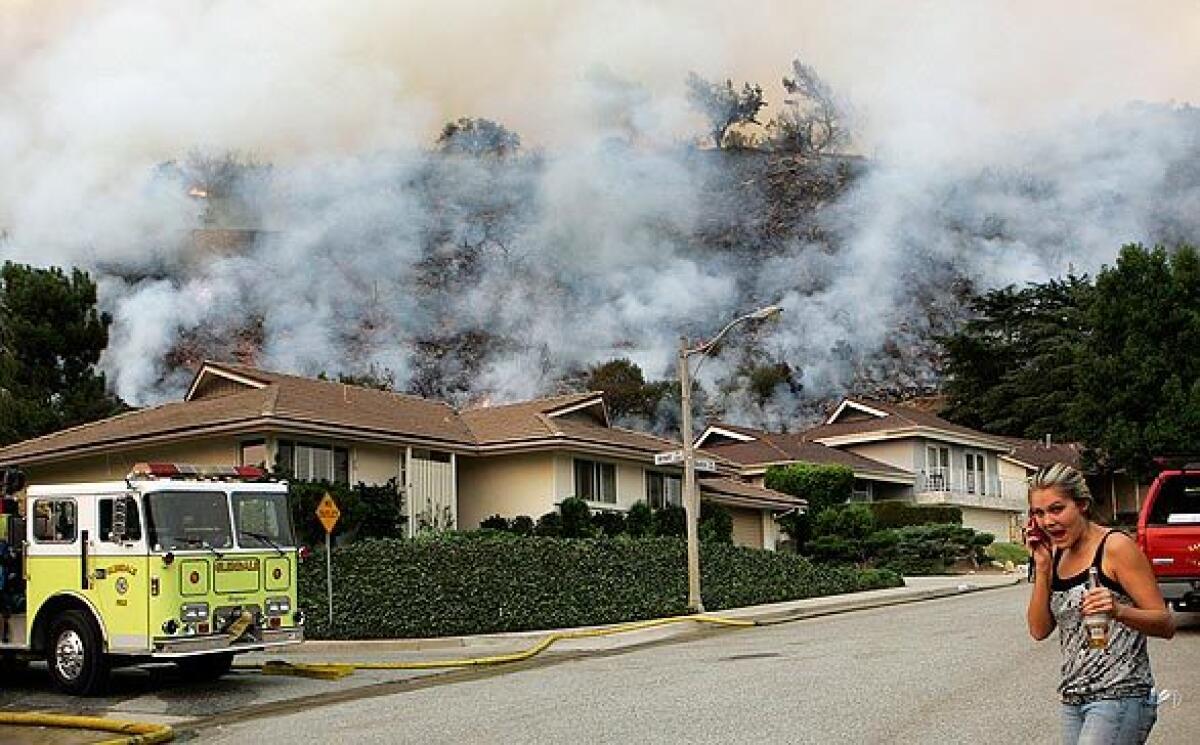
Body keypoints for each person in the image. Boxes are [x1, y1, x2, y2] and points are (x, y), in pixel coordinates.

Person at [1025, 463, 1175, 744]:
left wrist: (1118, 610)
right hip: (1073, 697)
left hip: (1121, 694)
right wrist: (1043, 568)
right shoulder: (1054, 555)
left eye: (1057, 509)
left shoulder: (1116, 547)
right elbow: (1038, 630)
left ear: (1081, 504)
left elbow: (1165, 624)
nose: (1047, 521)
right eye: (1038, 513)